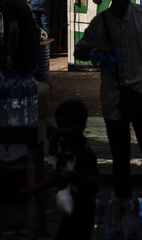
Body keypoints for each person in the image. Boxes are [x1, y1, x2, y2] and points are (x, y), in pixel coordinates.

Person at [74, 0, 142, 198]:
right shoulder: (100, 22)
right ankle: (124, 203)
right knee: (120, 158)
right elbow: (79, 52)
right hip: (113, 101)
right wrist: (97, 49)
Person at [17, 100, 99, 240]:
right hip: (69, 210)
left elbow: (95, 184)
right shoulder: (66, 149)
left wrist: (79, 178)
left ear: (81, 125)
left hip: (83, 213)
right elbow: (58, 176)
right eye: (60, 126)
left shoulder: (85, 153)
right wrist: (33, 190)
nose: (62, 130)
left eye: (68, 126)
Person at [0, 0, 40, 76]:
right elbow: (37, 30)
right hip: (29, 57)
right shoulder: (22, 3)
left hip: (19, 57)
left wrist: (10, 56)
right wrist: (35, 54)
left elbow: (14, 30)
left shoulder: (7, 4)